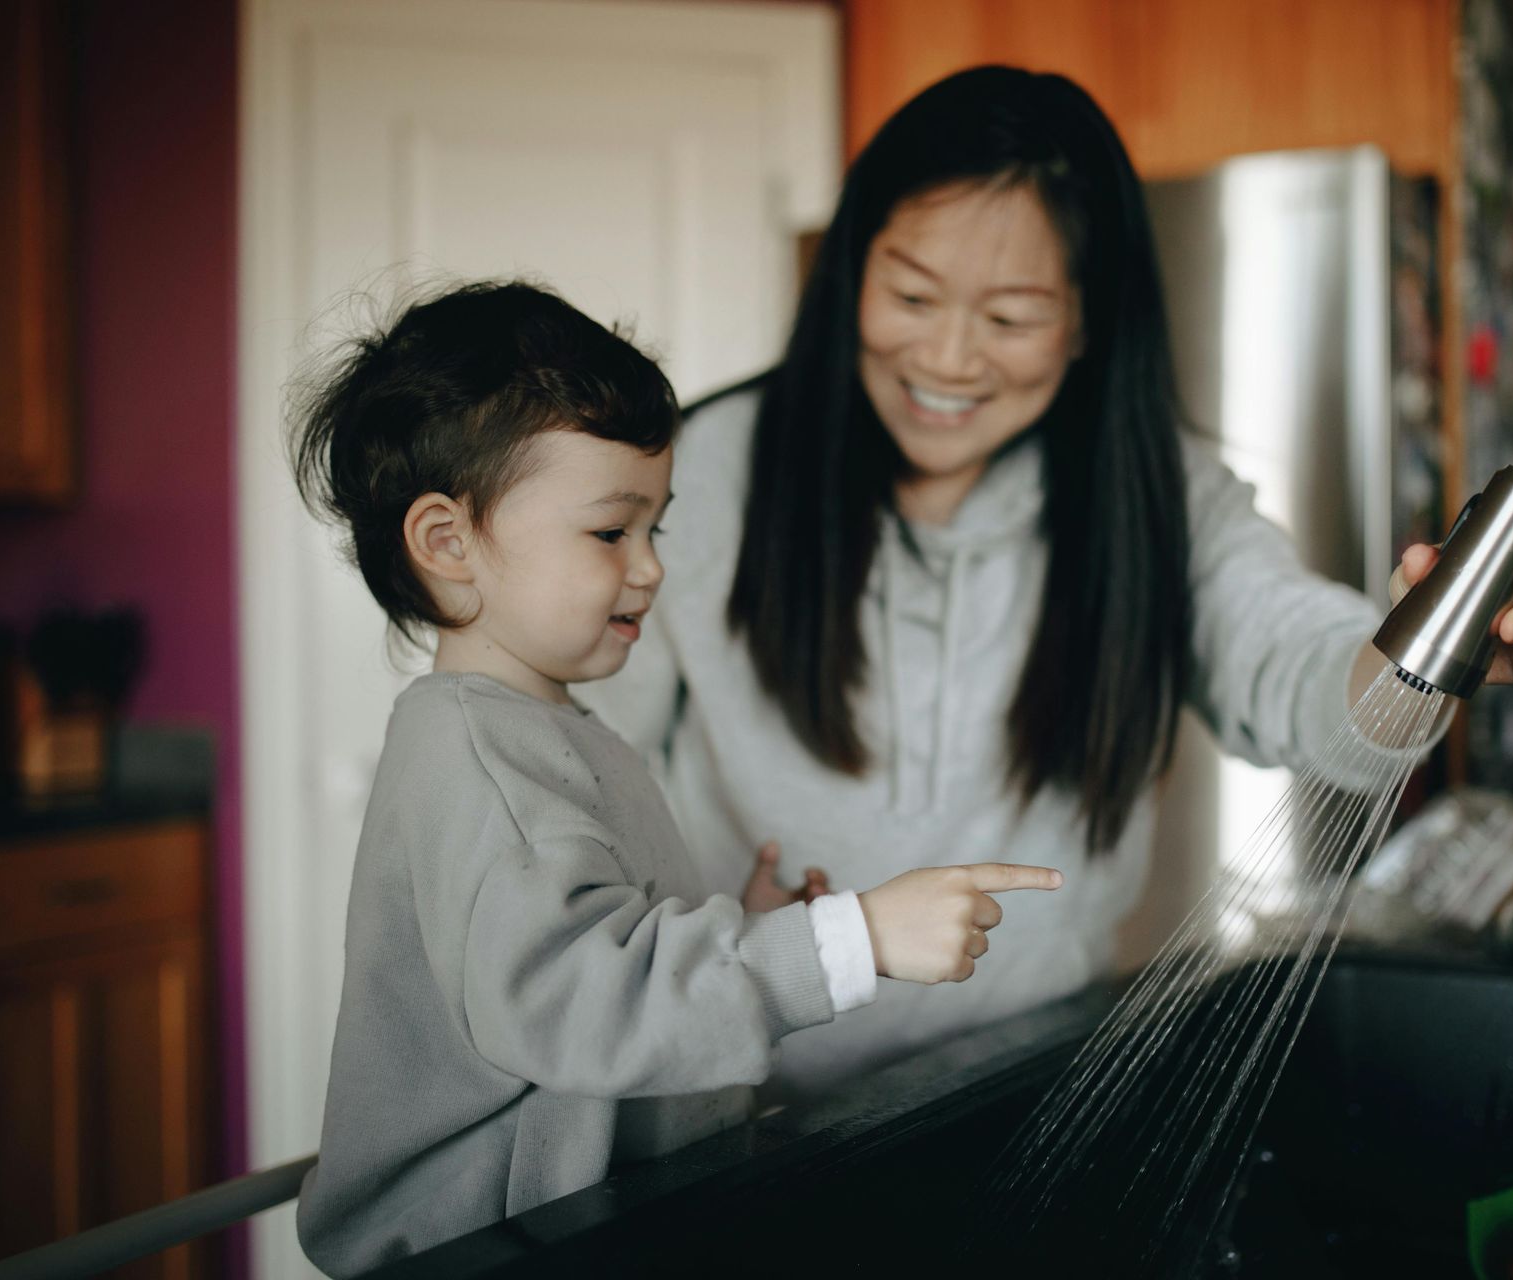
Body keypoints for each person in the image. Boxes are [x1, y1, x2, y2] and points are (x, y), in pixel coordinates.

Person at [582, 66, 1513, 1097]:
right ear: (851, 272)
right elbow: (582, 781)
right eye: (910, 294)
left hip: (1016, 1094)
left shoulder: (1157, 494)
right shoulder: (703, 474)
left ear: (1085, 322)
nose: (944, 358)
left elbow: (1307, 679)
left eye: (1010, 316)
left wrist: (1434, 652)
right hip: (724, 1112)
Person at [286, 281, 1063, 1274]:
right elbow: (584, 1003)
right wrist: (848, 940)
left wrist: (731, 912)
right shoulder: (480, 760)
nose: (651, 567)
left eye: (655, 527)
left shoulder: (546, 728)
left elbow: (591, 940)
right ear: (449, 543)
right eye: (612, 532)